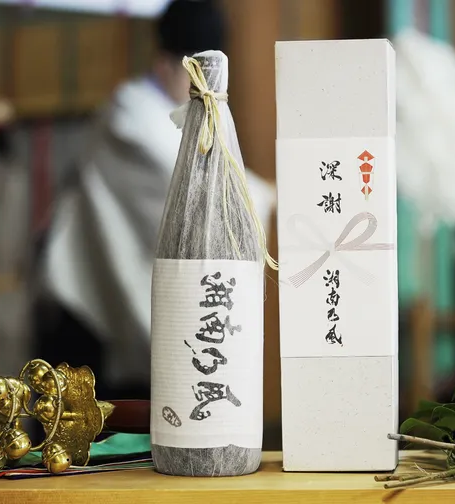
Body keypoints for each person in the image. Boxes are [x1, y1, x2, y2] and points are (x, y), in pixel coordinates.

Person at [32, 0, 275, 400]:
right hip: (86, 317)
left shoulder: (180, 114)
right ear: (167, 63)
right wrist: (266, 196)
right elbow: (193, 190)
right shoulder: (130, 115)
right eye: (196, 74)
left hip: (113, 325)